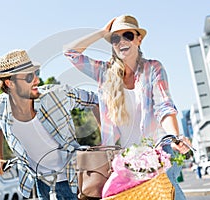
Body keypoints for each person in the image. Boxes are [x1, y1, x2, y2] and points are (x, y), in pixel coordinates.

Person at [64, 14, 191, 199]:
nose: (121, 41)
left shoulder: (153, 68)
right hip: (122, 161)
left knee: (170, 194)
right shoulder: (104, 72)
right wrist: (101, 33)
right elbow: (70, 53)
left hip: (157, 153)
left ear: (139, 39)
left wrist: (176, 136)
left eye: (128, 35)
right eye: (115, 38)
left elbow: (164, 106)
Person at [0, 49, 99, 200]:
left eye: (35, 73)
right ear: (10, 83)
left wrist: (104, 143)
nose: (36, 80)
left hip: (74, 178)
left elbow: (96, 100)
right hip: (41, 183)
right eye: (28, 77)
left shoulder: (56, 95)